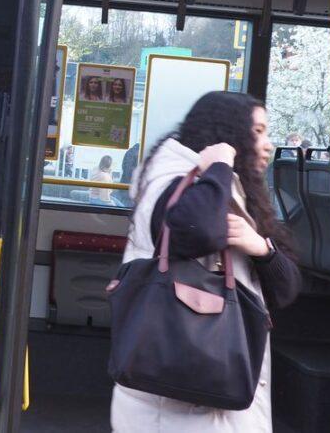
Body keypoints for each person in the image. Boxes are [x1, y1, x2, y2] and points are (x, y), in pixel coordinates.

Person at [111, 91, 300, 432]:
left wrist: (262, 249)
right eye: (257, 132)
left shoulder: (230, 189)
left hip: (207, 400)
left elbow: (286, 288)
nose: (268, 144)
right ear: (227, 136)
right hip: (175, 408)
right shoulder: (177, 184)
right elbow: (198, 231)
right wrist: (219, 166)